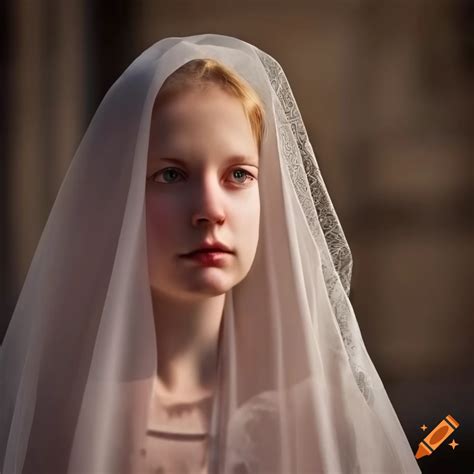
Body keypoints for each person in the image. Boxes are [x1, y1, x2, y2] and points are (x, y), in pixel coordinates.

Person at [0, 34, 421, 473]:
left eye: (238, 174)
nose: (209, 211)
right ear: (117, 198)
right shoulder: (53, 427)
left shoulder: (330, 424)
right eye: (171, 175)